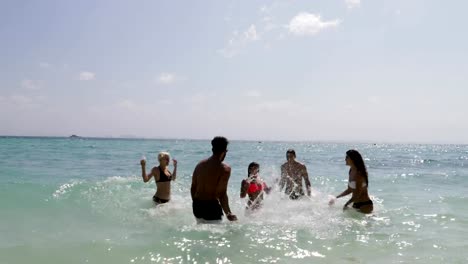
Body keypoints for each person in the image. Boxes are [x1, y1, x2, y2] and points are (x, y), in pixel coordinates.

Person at [191, 136, 238, 223]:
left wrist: (196, 204)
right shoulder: (224, 169)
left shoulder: (200, 165)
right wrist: (228, 213)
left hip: (197, 205)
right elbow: (222, 194)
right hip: (211, 207)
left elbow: (193, 187)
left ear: (213, 149)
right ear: (225, 151)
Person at [329, 149, 373, 214]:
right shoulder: (351, 170)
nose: (345, 159)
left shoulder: (359, 174)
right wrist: (336, 198)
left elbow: (357, 194)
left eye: (347, 157)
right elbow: (349, 190)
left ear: (353, 159)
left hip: (365, 205)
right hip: (355, 204)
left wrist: (346, 204)